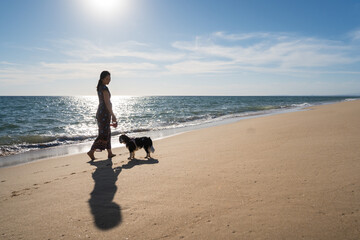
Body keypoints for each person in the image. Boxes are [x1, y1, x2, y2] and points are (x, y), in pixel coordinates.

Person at [87, 71, 117, 160]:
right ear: (102, 79)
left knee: (107, 133)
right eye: (107, 79)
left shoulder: (100, 87)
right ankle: (91, 152)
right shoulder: (104, 88)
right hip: (104, 113)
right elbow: (107, 103)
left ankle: (110, 153)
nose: (109, 80)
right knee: (103, 134)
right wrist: (113, 115)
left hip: (102, 113)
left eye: (110, 78)